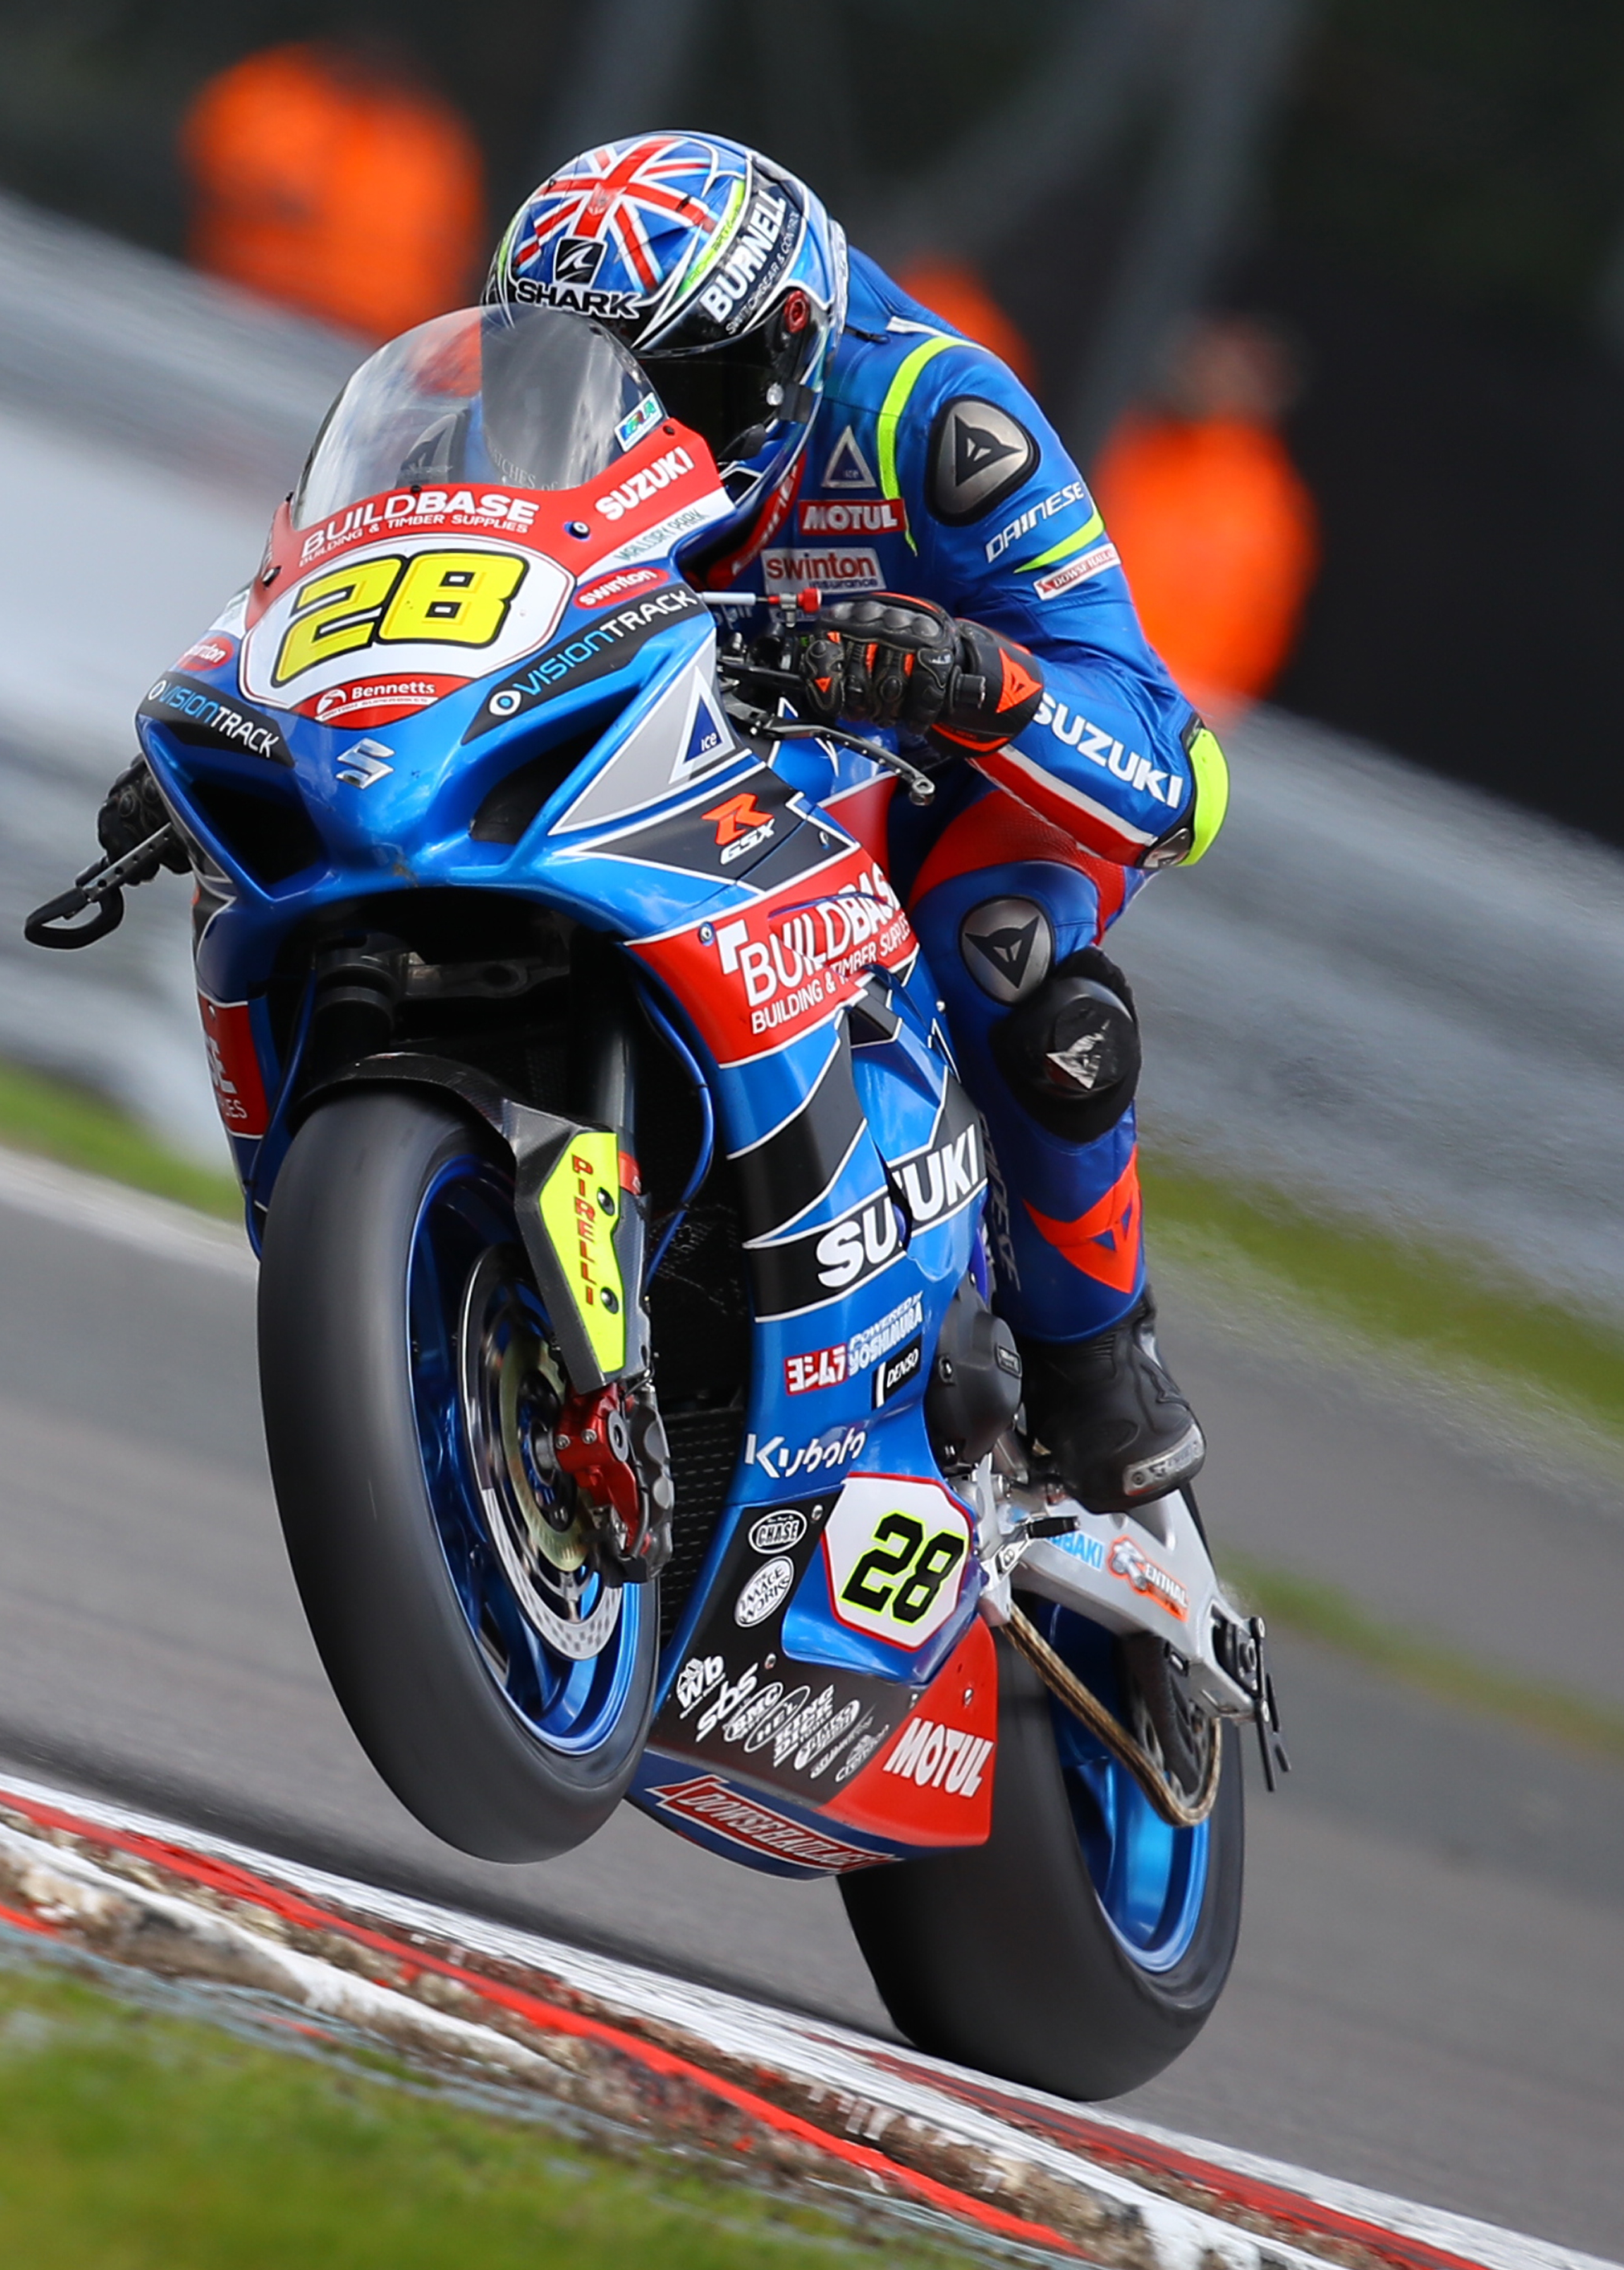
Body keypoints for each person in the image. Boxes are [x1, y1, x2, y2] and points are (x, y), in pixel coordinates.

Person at [108, 131, 1214, 1506]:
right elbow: (367, 597)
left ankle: (1094, 1355)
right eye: (578, 375)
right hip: (652, 752)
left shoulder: (930, 417)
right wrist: (252, 731)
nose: (639, 423)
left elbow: (1163, 758)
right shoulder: (477, 410)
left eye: (679, 387)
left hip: (913, 773)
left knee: (998, 933)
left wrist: (969, 677)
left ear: (789, 344)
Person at [181, 39, 484, 343]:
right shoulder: (284, 93)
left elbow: (449, 256)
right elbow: (233, 169)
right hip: (251, 311)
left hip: (365, 341)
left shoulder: (429, 145)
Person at [1093, 316, 1317, 713]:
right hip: (1075, 668)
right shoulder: (1133, 443)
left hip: (1155, 703)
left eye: (1229, 368)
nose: (1205, 371)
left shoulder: (1261, 510)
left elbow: (1249, 642)